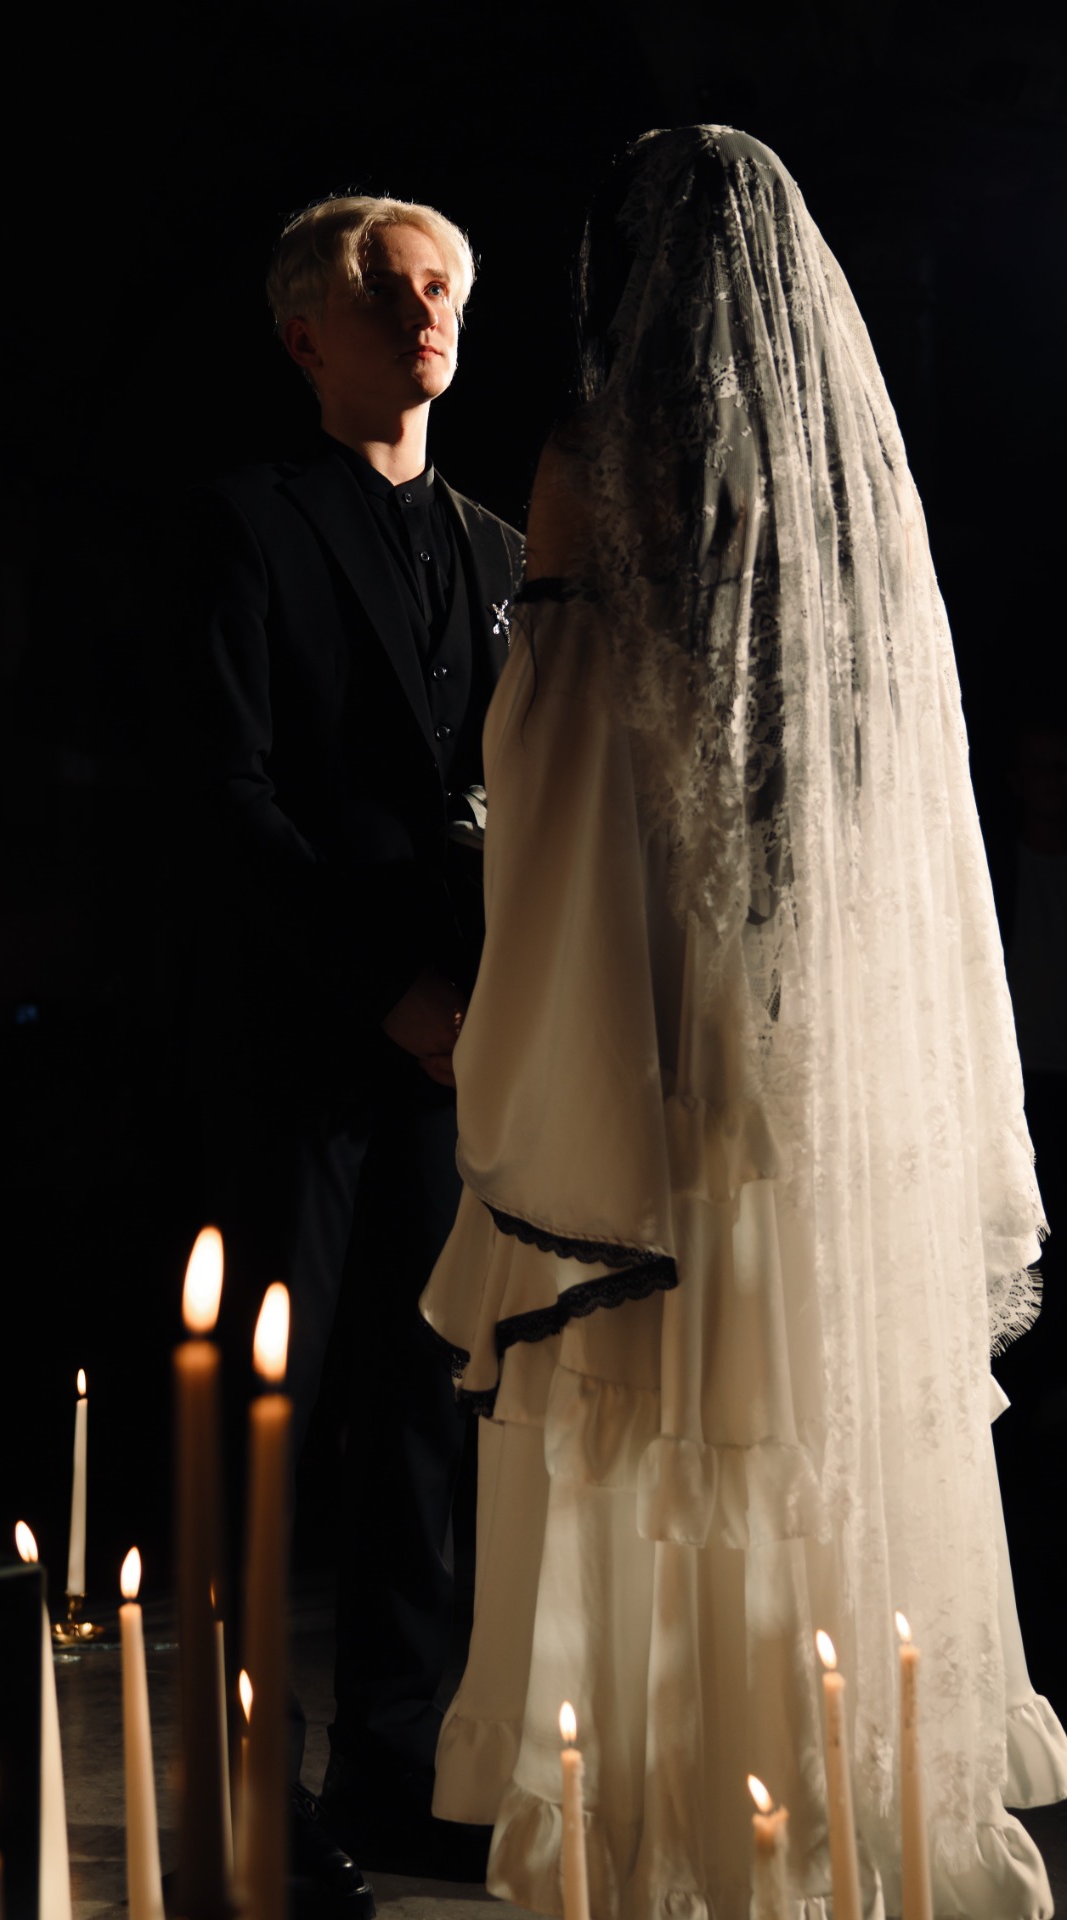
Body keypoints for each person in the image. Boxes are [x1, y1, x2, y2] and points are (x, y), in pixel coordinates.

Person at [419, 127, 1067, 1916]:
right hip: (821, 1067)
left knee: (656, 1440)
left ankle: (678, 1832)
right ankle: (835, 1809)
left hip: (658, 1065)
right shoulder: (848, 502)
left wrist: (522, 1019)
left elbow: (559, 779)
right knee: (803, 1430)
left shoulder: (591, 466)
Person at [181, 194, 523, 1907]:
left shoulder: (505, 550)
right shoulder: (244, 523)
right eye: (393, 289)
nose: (428, 309)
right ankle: (244, 1794)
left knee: (422, 1422)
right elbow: (221, 802)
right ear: (306, 333)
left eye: (445, 285)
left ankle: (396, 1771)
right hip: (301, 1047)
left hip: (463, 1054)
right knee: (273, 1419)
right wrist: (381, 990)